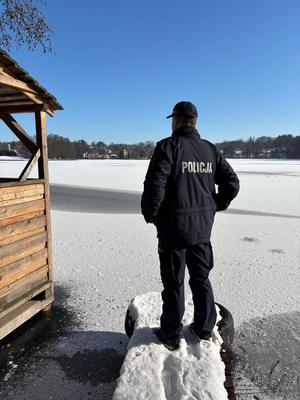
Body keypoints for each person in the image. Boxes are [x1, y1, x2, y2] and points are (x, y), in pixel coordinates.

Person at [141, 101, 240, 351]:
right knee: (201, 278)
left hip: (174, 230)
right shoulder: (209, 150)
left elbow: (155, 186)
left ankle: (171, 333)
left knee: (174, 282)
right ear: (194, 121)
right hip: (202, 230)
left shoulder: (168, 147)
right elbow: (232, 183)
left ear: (176, 120)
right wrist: (214, 205)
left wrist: (152, 215)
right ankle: (204, 328)